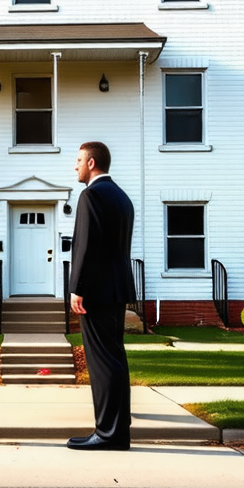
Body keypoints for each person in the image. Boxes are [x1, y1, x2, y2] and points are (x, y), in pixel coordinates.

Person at [66, 141, 135, 451]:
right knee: (115, 359)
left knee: (103, 362)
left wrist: (76, 287)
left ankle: (107, 434)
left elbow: (86, 245)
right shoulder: (122, 197)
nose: (76, 166)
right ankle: (118, 431)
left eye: (79, 160)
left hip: (96, 290)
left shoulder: (91, 195)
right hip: (117, 288)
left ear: (92, 163)